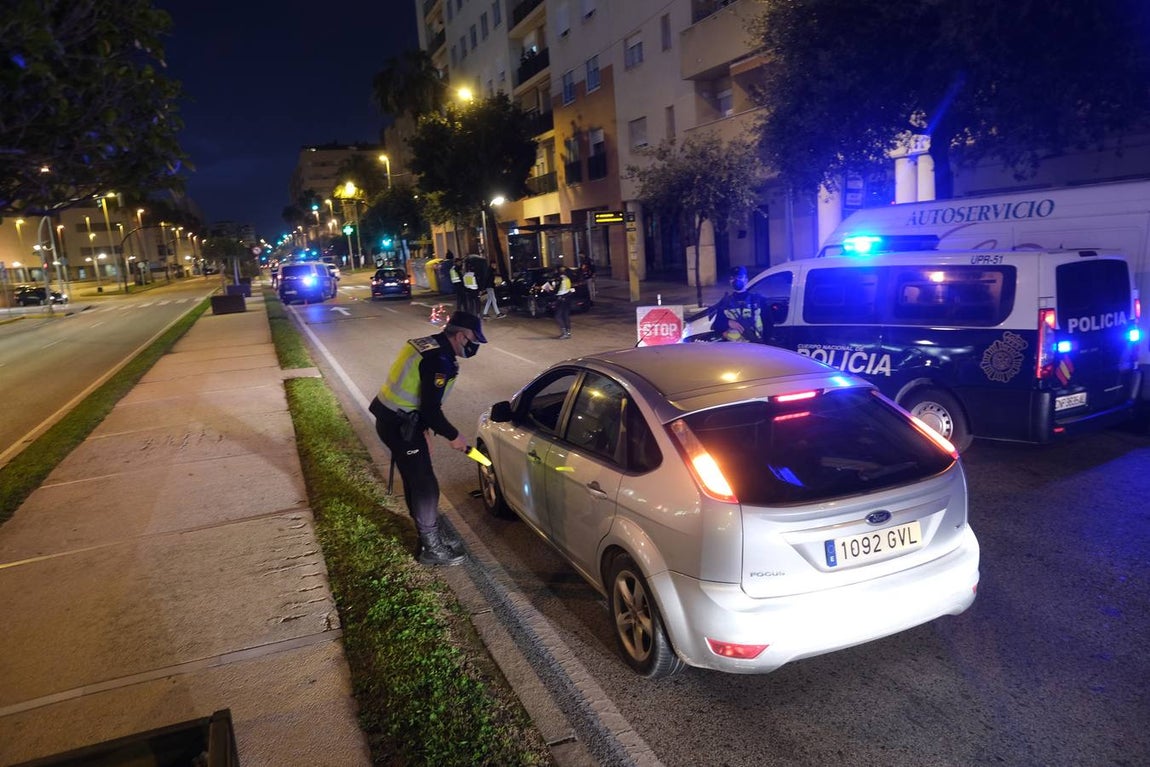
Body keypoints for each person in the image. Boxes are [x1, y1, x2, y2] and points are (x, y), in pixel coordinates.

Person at [369, 311, 487, 566]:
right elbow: (431, 409)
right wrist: (453, 436)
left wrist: (422, 429)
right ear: (461, 335)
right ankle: (430, 547)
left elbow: (417, 398)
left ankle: (428, 535)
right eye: (474, 339)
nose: (475, 345)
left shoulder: (427, 343)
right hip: (399, 426)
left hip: (397, 420)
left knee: (417, 477)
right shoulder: (439, 360)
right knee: (425, 485)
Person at [710, 265, 773, 343]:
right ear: (730, 282)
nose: (736, 280)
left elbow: (769, 325)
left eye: (740, 277)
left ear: (746, 280)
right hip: (734, 350)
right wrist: (728, 323)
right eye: (733, 278)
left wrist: (766, 345)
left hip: (757, 347)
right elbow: (717, 325)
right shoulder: (725, 302)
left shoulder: (758, 300)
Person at [543, 263, 574, 339]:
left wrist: (547, 289)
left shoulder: (559, 280)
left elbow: (554, 291)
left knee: (558, 316)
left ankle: (565, 333)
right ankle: (568, 333)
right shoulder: (567, 278)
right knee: (566, 315)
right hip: (567, 298)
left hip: (561, 298)